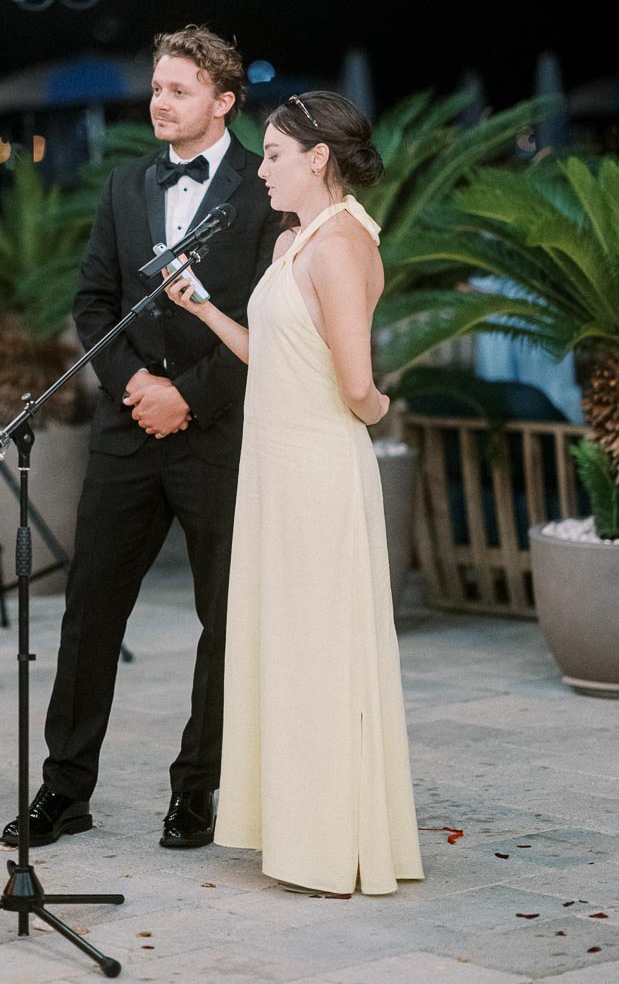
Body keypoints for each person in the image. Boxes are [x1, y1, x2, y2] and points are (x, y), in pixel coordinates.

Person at [0, 25, 279, 851]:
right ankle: (65, 789)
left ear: (224, 102)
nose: (159, 101)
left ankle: (197, 791)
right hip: (125, 434)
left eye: (179, 89)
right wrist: (133, 386)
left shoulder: (264, 192)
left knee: (223, 619)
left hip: (217, 435)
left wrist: (185, 399)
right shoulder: (125, 184)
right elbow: (93, 304)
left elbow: (273, 326)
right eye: (156, 88)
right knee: (89, 615)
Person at [163, 90, 424, 896]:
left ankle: (333, 842)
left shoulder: (340, 246)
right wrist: (202, 306)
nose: (261, 168)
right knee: (285, 649)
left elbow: (356, 385)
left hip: (316, 474)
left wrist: (381, 414)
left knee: (321, 653)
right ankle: (298, 829)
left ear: (318, 159)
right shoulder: (293, 241)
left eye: (273, 154)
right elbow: (272, 355)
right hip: (275, 474)